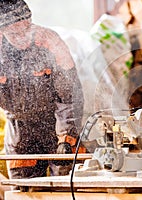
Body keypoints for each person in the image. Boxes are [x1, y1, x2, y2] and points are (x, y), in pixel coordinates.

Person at [0, 0, 84, 179]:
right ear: (2, 31)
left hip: (56, 122)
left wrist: (66, 137)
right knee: (23, 189)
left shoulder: (51, 42)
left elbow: (70, 96)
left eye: (26, 29)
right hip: (20, 130)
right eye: (15, 33)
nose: (22, 37)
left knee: (66, 183)